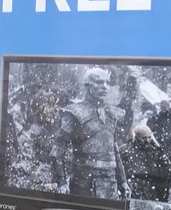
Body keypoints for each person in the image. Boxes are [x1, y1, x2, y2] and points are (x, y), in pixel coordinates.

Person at [50, 67, 127, 201]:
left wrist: (123, 181)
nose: (105, 87)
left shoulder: (112, 113)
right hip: (83, 182)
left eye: (107, 83)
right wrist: (61, 182)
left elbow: (114, 150)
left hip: (110, 182)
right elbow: (57, 150)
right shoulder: (74, 112)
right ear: (88, 85)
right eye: (99, 82)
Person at [123, 124, 171, 200]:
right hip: (135, 189)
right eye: (144, 138)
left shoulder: (156, 151)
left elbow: (168, 171)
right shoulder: (126, 150)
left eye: (149, 137)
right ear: (137, 137)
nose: (147, 141)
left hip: (153, 189)